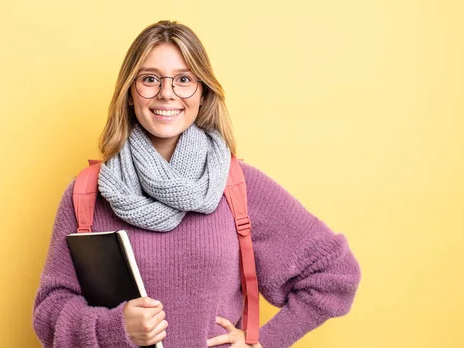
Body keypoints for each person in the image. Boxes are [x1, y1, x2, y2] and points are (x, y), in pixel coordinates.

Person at [32, 20, 361, 348]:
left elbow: (335, 275)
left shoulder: (237, 186)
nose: (166, 93)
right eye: (149, 79)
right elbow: (48, 313)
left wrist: (265, 342)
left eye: (184, 80)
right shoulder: (88, 193)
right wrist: (115, 329)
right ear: (130, 94)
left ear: (202, 93)